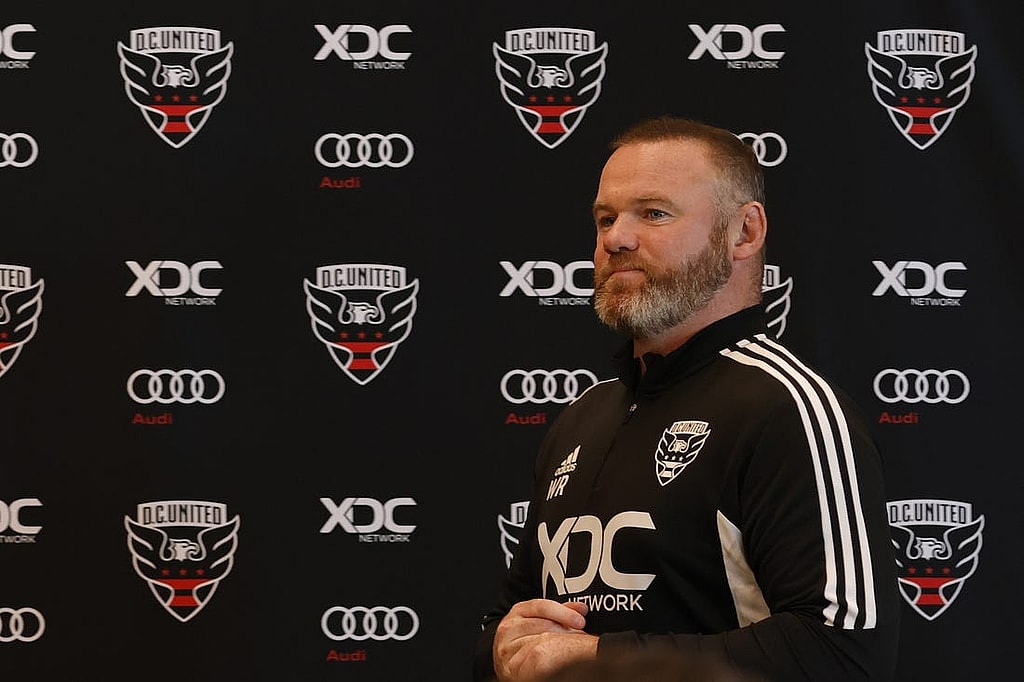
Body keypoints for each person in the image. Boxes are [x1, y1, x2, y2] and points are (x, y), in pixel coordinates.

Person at [473, 115, 900, 681]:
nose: (615, 238)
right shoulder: (583, 419)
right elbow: (509, 623)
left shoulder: (785, 407)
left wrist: (604, 658)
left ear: (744, 233)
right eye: (605, 218)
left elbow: (846, 656)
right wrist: (502, 645)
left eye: (653, 213)